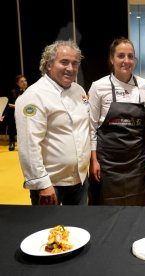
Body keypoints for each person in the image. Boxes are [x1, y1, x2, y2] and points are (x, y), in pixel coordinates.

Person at [15, 40, 90, 205]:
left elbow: (84, 130)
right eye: (64, 62)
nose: (70, 68)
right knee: (50, 230)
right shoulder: (33, 96)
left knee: (80, 227)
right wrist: (42, 183)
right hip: (51, 185)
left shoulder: (79, 91)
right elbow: (29, 145)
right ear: (48, 64)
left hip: (80, 180)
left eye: (74, 63)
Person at [88, 37, 145, 206]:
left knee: (138, 206)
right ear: (111, 59)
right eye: (121, 56)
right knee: (108, 208)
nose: (126, 61)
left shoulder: (143, 86)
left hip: (137, 161)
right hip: (107, 162)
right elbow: (92, 127)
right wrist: (93, 160)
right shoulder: (98, 86)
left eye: (130, 56)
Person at [5, 75, 27, 150]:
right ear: (17, 83)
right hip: (14, 112)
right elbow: (9, 104)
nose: (24, 83)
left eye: (25, 81)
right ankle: (12, 142)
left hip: (27, 112)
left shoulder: (30, 91)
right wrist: (17, 107)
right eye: (22, 81)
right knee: (11, 123)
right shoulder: (13, 92)